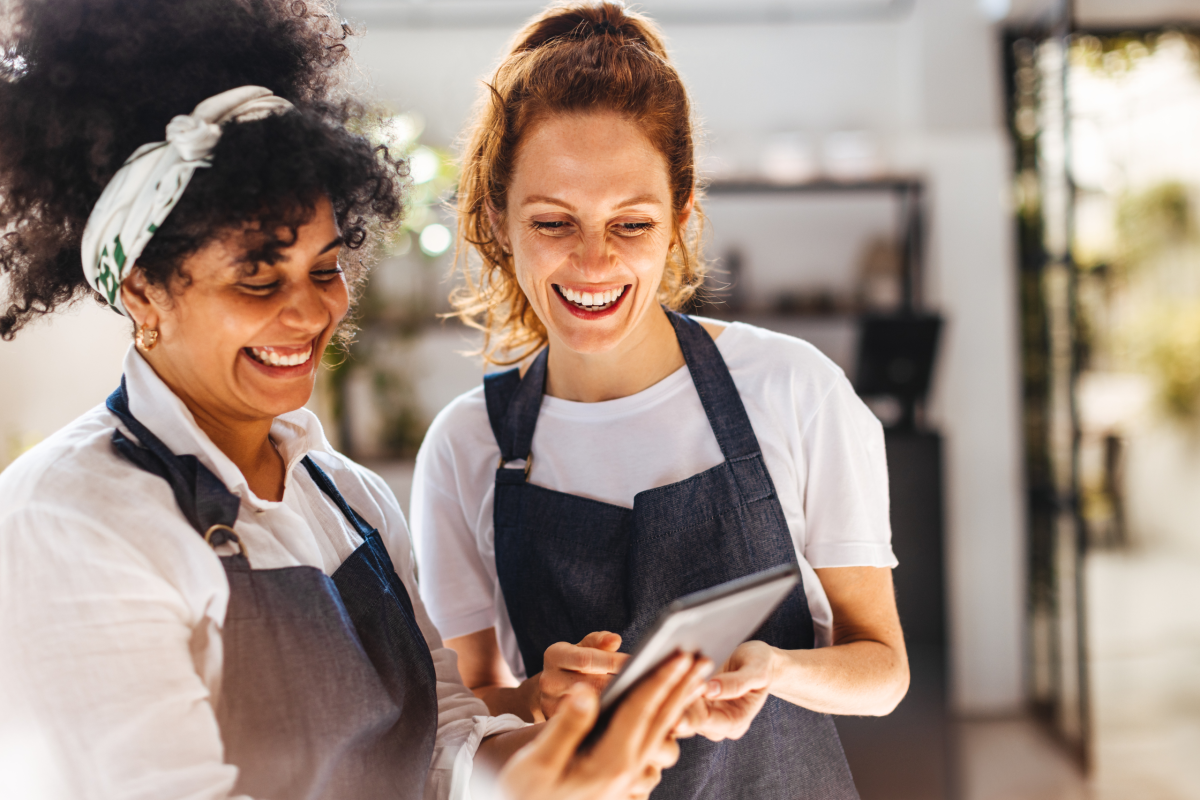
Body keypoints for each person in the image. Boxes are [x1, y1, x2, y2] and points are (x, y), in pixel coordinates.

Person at [0, 1, 708, 798]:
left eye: (325, 269)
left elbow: (440, 740)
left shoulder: (352, 501)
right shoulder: (72, 519)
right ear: (143, 292)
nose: (309, 314)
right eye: (258, 278)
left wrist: (545, 771)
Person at [410, 3, 911, 798]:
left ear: (680, 218)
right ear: (500, 224)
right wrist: (537, 697)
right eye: (553, 221)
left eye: (631, 223)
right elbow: (460, 704)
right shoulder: (467, 444)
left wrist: (774, 668)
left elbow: (882, 670)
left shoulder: (790, 389)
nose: (594, 261)